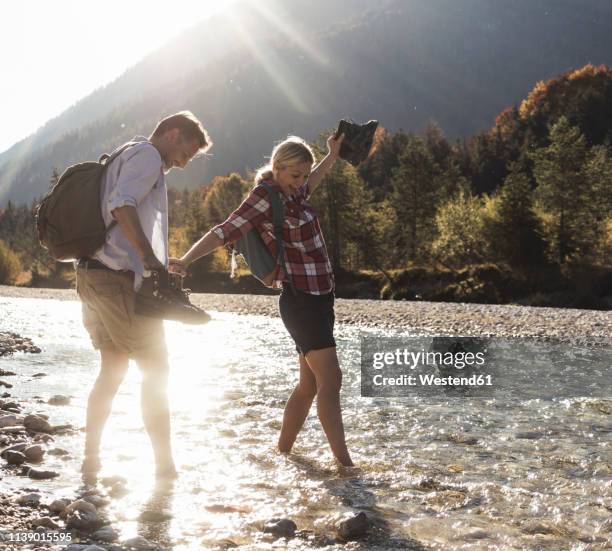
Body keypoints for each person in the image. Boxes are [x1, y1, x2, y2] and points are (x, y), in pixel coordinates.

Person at [170, 133, 354, 467]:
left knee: (310, 384)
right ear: (277, 169)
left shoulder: (296, 193)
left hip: (321, 298)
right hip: (300, 301)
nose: (300, 182)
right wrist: (184, 260)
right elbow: (225, 230)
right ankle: (346, 466)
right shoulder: (265, 197)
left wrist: (332, 155)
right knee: (332, 379)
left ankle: (282, 453)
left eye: (303, 176)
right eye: (294, 175)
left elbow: (314, 178)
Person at [76, 111, 212, 481]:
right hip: (120, 281)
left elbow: (117, 207)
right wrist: (151, 261)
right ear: (172, 134)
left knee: (112, 370)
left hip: (93, 276)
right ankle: (165, 470)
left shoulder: (126, 151)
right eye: (188, 151)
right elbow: (122, 205)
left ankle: (91, 461)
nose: (185, 162)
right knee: (157, 372)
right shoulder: (150, 155)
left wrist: (156, 260)